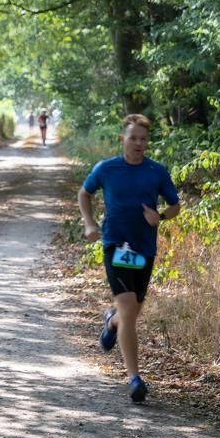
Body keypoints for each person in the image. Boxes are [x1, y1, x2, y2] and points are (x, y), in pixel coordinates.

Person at [77, 113, 181, 403]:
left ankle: (111, 322)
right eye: (133, 138)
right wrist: (89, 223)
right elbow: (84, 194)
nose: (138, 143)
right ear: (122, 139)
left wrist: (159, 216)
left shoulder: (156, 171)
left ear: (148, 142)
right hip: (116, 246)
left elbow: (175, 206)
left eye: (143, 139)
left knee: (131, 313)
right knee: (127, 308)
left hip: (144, 249)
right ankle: (134, 378)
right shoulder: (106, 169)